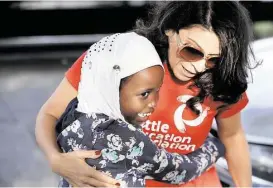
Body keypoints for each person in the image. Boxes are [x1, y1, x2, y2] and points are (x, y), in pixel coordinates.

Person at [35, 1, 257, 187]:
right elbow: (50, 113)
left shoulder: (221, 79)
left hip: (194, 179)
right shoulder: (114, 57)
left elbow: (232, 136)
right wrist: (56, 160)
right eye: (192, 50)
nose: (200, 67)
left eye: (213, 59)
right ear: (170, 30)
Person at [56, 32, 225, 187]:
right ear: (112, 87)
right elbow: (179, 171)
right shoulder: (123, 137)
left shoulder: (73, 116)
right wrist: (214, 147)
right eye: (144, 93)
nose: (154, 102)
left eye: (157, 91)